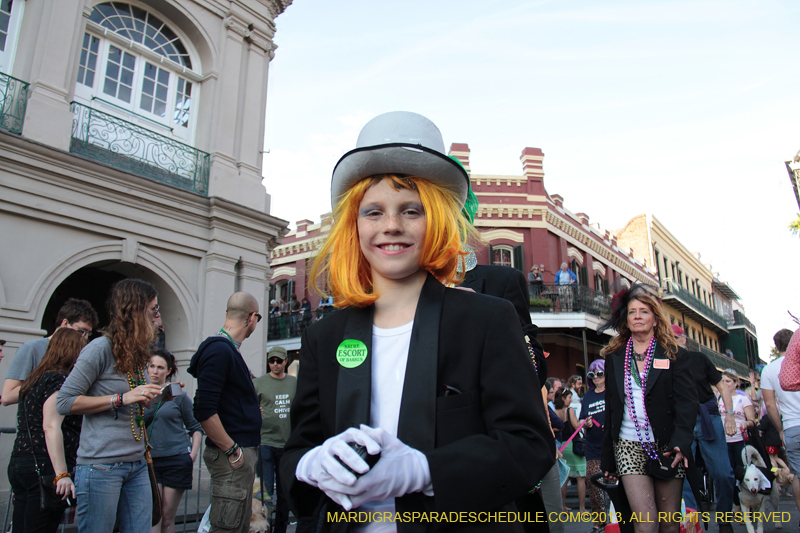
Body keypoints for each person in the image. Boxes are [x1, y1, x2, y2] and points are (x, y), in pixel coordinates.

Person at [281, 111, 554, 532]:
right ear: (353, 226)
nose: (391, 226)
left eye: (411, 210)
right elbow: (294, 456)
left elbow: (529, 446)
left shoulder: (487, 320)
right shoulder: (324, 336)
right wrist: (310, 464)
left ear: (438, 221)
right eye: (373, 212)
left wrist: (425, 470)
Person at [56, 279, 164, 533]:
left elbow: (137, 407)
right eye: (153, 310)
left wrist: (155, 398)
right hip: (101, 466)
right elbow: (64, 402)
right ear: (135, 311)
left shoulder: (137, 353)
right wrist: (120, 398)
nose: (158, 316)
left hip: (136, 463)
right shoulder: (100, 349)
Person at [599, 283, 698, 533]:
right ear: (626, 319)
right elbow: (611, 408)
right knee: (645, 523)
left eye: (643, 311)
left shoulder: (674, 354)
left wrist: (681, 442)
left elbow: (687, 402)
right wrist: (608, 460)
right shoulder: (614, 356)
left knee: (669, 524)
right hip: (628, 445)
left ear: (655, 318)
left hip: (667, 445)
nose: (637, 317)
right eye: (632, 312)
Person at [188, 292, 262, 533]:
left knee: (236, 526)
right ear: (251, 318)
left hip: (237, 455)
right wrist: (232, 450)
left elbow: (220, 403)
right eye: (257, 318)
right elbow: (203, 409)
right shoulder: (220, 350)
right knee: (227, 528)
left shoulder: (227, 351)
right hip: (232, 457)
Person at [7, 328, 85, 533]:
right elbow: (51, 426)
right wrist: (62, 474)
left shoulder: (33, 380)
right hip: (44, 466)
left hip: (20, 461)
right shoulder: (58, 381)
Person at [672, 325, 736, 532]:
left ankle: (724, 519)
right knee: (683, 476)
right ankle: (691, 524)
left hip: (708, 417)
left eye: (674, 337)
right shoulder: (663, 363)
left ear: (683, 339)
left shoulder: (699, 359)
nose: (670, 341)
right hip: (682, 421)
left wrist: (730, 416)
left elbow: (722, 387)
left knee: (723, 473)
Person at [144, 349, 203, 533]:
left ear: (168, 371)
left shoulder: (178, 395)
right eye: (151, 366)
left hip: (175, 459)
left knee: (167, 518)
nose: (155, 371)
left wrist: (192, 454)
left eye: (160, 367)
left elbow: (196, 427)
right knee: (154, 516)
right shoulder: (140, 394)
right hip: (150, 462)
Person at [3, 298, 98, 406]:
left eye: (88, 333)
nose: (84, 337)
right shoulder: (31, 348)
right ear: (65, 323)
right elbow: (7, 396)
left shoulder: (83, 352)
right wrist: (48, 383)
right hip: (38, 419)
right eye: (81, 331)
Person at [252, 346, 299, 533]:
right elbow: (249, 407)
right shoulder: (259, 383)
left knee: (285, 491)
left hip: (287, 443)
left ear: (285, 361)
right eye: (272, 361)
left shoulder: (294, 383)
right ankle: (264, 528)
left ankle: (280, 528)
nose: (275, 364)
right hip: (265, 441)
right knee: (265, 492)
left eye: (279, 361)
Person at [760, 328, 800, 517]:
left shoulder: (769, 369)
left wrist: (780, 429)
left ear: (776, 346)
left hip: (791, 425)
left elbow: (769, 404)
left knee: (798, 475)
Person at [716, 369, 755, 515]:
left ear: (736, 383)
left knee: (742, 474)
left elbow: (752, 420)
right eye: (723, 381)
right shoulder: (719, 398)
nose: (725, 384)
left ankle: (748, 503)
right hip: (723, 441)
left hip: (739, 440)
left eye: (728, 381)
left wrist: (746, 423)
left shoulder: (742, 399)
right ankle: (736, 504)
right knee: (727, 475)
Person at [580, 359, 607, 533]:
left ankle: (618, 519)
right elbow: (582, 418)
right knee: (594, 483)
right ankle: (599, 522)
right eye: (592, 375)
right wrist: (585, 423)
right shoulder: (588, 395)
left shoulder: (612, 392)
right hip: (592, 446)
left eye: (600, 374)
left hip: (612, 446)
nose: (596, 378)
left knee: (616, 484)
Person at [554, 387, 586, 514]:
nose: (571, 400)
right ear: (563, 398)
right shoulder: (569, 410)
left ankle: (563, 507)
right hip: (572, 445)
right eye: (569, 397)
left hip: (561, 446)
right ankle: (582, 508)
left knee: (564, 479)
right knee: (580, 477)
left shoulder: (554, 411)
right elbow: (576, 426)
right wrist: (583, 422)